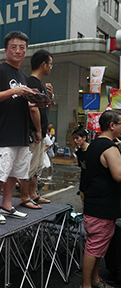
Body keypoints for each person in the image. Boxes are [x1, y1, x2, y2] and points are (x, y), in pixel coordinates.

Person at [0, 31, 37, 224]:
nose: (18, 51)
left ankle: (7, 205)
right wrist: (14, 90)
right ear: (6, 50)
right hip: (1, 131)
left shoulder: (23, 75)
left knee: (15, 171)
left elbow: (26, 104)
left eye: (22, 47)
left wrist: (37, 99)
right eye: (13, 47)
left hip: (20, 132)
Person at [80, 110, 121, 288]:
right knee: (94, 247)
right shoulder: (109, 148)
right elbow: (118, 175)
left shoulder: (94, 145)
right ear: (112, 126)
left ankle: (95, 280)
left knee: (97, 247)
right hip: (102, 207)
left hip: (94, 204)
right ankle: (87, 285)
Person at [19, 50, 53, 210]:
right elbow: (33, 109)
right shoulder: (32, 82)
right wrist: (39, 130)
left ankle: (33, 195)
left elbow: (44, 108)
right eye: (50, 64)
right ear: (43, 64)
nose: (51, 67)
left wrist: (50, 97)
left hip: (39, 132)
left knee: (37, 166)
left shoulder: (39, 83)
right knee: (30, 166)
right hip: (33, 132)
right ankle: (25, 197)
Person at [72, 128, 90, 207]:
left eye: (77, 138)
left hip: (92, 183)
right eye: (74, 138)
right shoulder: (79, 152)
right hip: (83, 182)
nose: (75, 141)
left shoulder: (92, 150)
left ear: (84, 138)